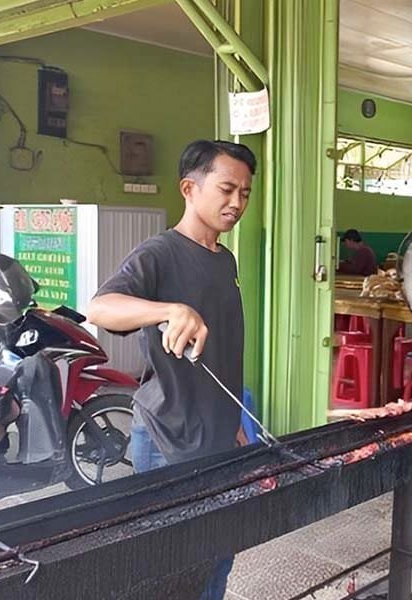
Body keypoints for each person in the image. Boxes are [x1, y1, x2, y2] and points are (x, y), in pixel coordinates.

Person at [87, 139, 256, 600]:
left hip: (218, 433)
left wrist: (234, 422)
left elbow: (222, 353)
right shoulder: (159, 253)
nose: (237, 202)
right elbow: (100, 307)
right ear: (189, 188)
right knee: (174, 569)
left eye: (244, 193)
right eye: (226, 189)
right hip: (169, 437)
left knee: (217, 555)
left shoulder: (224, 259)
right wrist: (169, 309)